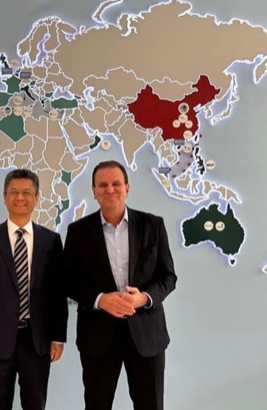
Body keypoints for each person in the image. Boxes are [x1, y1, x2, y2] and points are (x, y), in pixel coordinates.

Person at [64, 160, 177, 410]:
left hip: (147, 335)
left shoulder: (153, 225)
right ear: (94, 191)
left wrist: (143, 298)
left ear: (127, 188)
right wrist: (100, 300)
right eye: (103, 185)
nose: (110, 189)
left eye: (116, 184)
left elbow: (168, 277)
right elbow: (68, 281)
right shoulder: (78, 232)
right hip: (98, 337)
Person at [0, 169, 68, 410]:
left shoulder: (51, 241)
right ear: (4, 197)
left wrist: (58, 336)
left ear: (37, 198)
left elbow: (58, 294)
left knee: (35, 404)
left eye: (26, 192)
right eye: (13, 192)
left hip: (37, 340)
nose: (20, 197)